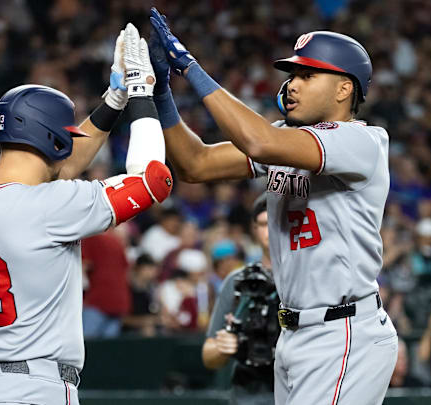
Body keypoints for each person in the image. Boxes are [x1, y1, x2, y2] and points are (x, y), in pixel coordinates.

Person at [148, 9, 397, 404]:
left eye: (307, 75)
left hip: (343, 332)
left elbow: (259, 142)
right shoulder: (288, 137)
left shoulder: (361, 142)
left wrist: (190, 68)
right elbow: (196, 165)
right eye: (292, 75)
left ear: (344, 89)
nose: (292, 85)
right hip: (295, 333)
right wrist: (161, 95)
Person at [0, 24, 172, 405]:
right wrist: (139, 92)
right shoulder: (48, 206)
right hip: (33, 388)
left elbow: (60, 170)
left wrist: (113, 100)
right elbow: (155, 179)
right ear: (52, 140)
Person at [202, 194, 277, 404]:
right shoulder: (240, 281)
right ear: (254, 229)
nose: (270, 231)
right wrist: (225, 346)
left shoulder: (307, 277)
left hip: (299, 387)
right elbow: (209, 355)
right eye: (263, 224)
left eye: (275, 222)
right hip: (250, 391)